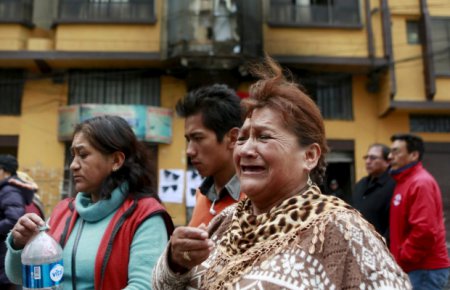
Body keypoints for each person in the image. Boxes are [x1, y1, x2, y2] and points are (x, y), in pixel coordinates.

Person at [152, 56, 411, 289]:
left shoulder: (339, 230)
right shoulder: (225, 221)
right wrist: (176, 260)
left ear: (309, 156)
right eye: (242, 138)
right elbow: (163, 286)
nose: (246, 150)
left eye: (264, 137)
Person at [5, 115, 174, 289]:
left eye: (83, 155)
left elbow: (144, 286)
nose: (73, 165)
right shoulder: (63, 211)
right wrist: (20, 243)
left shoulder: (145, 216)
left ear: (116, 161)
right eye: (73, 155)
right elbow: (20, 276)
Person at [176, 84, 245, 227]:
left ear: (232, 138)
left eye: (198, 138)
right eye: (189, 140)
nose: (189, 151)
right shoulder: (201, 195)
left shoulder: (258, 199)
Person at [388, 133, 450, 289]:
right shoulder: (404, 181)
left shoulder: (420, 183)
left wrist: (404, 256)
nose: (390, 156)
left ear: (413, 155)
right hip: (414, 268)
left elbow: (425, 231)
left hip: (424, 270)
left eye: (396, 152)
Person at [0, 155, 35, 290]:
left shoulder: (9, 190)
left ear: (5, 171)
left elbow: (14, 219)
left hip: (4, 252)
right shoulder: (6, 189)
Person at [353, 143, 395, 241]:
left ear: (387, 162)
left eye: (373, 158)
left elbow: (393, 224)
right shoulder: (361, 184)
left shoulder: (393, 185)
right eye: (366, 157)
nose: (368, 161)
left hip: (381, 248)